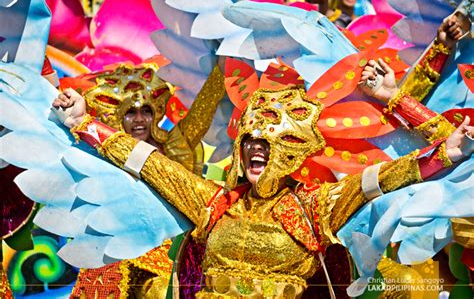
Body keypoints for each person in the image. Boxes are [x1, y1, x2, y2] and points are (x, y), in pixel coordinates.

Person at [53, 61, 473, 298]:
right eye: (250, 140)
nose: (255, 148)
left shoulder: (314, 206)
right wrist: (84, 123)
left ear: (286, 153)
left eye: (266, 144)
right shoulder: (216, 202)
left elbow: (377, 180)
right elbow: (149, 164)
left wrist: (444, 154)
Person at [61, 61, 225, 298]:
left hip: (170, 251)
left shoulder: (173, 147)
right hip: (117, 252)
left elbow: (205, 107)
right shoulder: (105, 155)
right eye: (131, 112)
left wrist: (223, 64)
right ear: (118, 116)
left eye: (145, 111)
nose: (139, 119)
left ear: (155, 114)